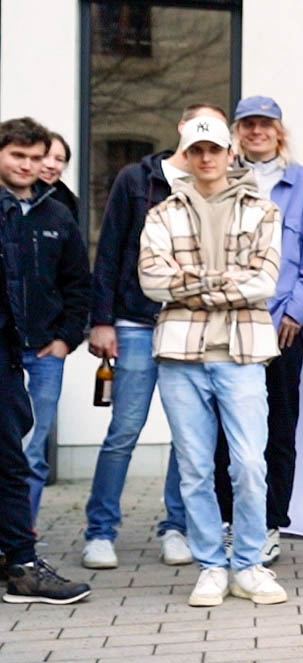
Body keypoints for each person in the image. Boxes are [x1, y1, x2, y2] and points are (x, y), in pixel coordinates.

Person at [139, 112, 287, 607]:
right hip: (180, 355)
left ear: (229, 153)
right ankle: (210, 565)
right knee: (195, 469)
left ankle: (247, 563)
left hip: (242, 352)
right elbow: (152, 282)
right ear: (185, 155)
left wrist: (192, 284)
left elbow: (264, 282)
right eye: (196, 151)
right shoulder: (161, 215)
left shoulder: (262, 211)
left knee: (249, 464)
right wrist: (223, 282)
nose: (206, 159)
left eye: (214, 150)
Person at [207, 96, 303, 565]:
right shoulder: (221, 180)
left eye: (265, 125)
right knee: (227, 431)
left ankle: (268, 526)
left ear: (279, 132)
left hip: (282, 329)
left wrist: (297, 312)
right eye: (248, 125)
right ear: (237, 133)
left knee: (278, 429)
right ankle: (228, 522)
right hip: (229, 326)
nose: (256, 132)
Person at [85, 107, 205, 568]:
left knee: (187, 435)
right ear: (182, 129)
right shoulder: (137, 179)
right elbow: (111, 247)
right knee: (124, 431)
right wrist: (102, 319)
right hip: (135, 323)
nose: (204, 148)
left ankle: (175, 528)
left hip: (188, 325)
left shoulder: (213, 185)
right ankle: (99, 532)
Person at [0, 122, 89, 604]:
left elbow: (78, 279)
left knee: (23, 456)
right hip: (9, 350)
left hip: (33, 352)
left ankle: (21, 555)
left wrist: (64, 338)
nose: (29, 166)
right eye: (19, 155)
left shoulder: (57, 211)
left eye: (37, 158)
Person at [40, 132, 78, 217]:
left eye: (59, 159)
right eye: (45, 156)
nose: (51, 165)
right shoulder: (12, 198)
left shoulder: (73, 204)